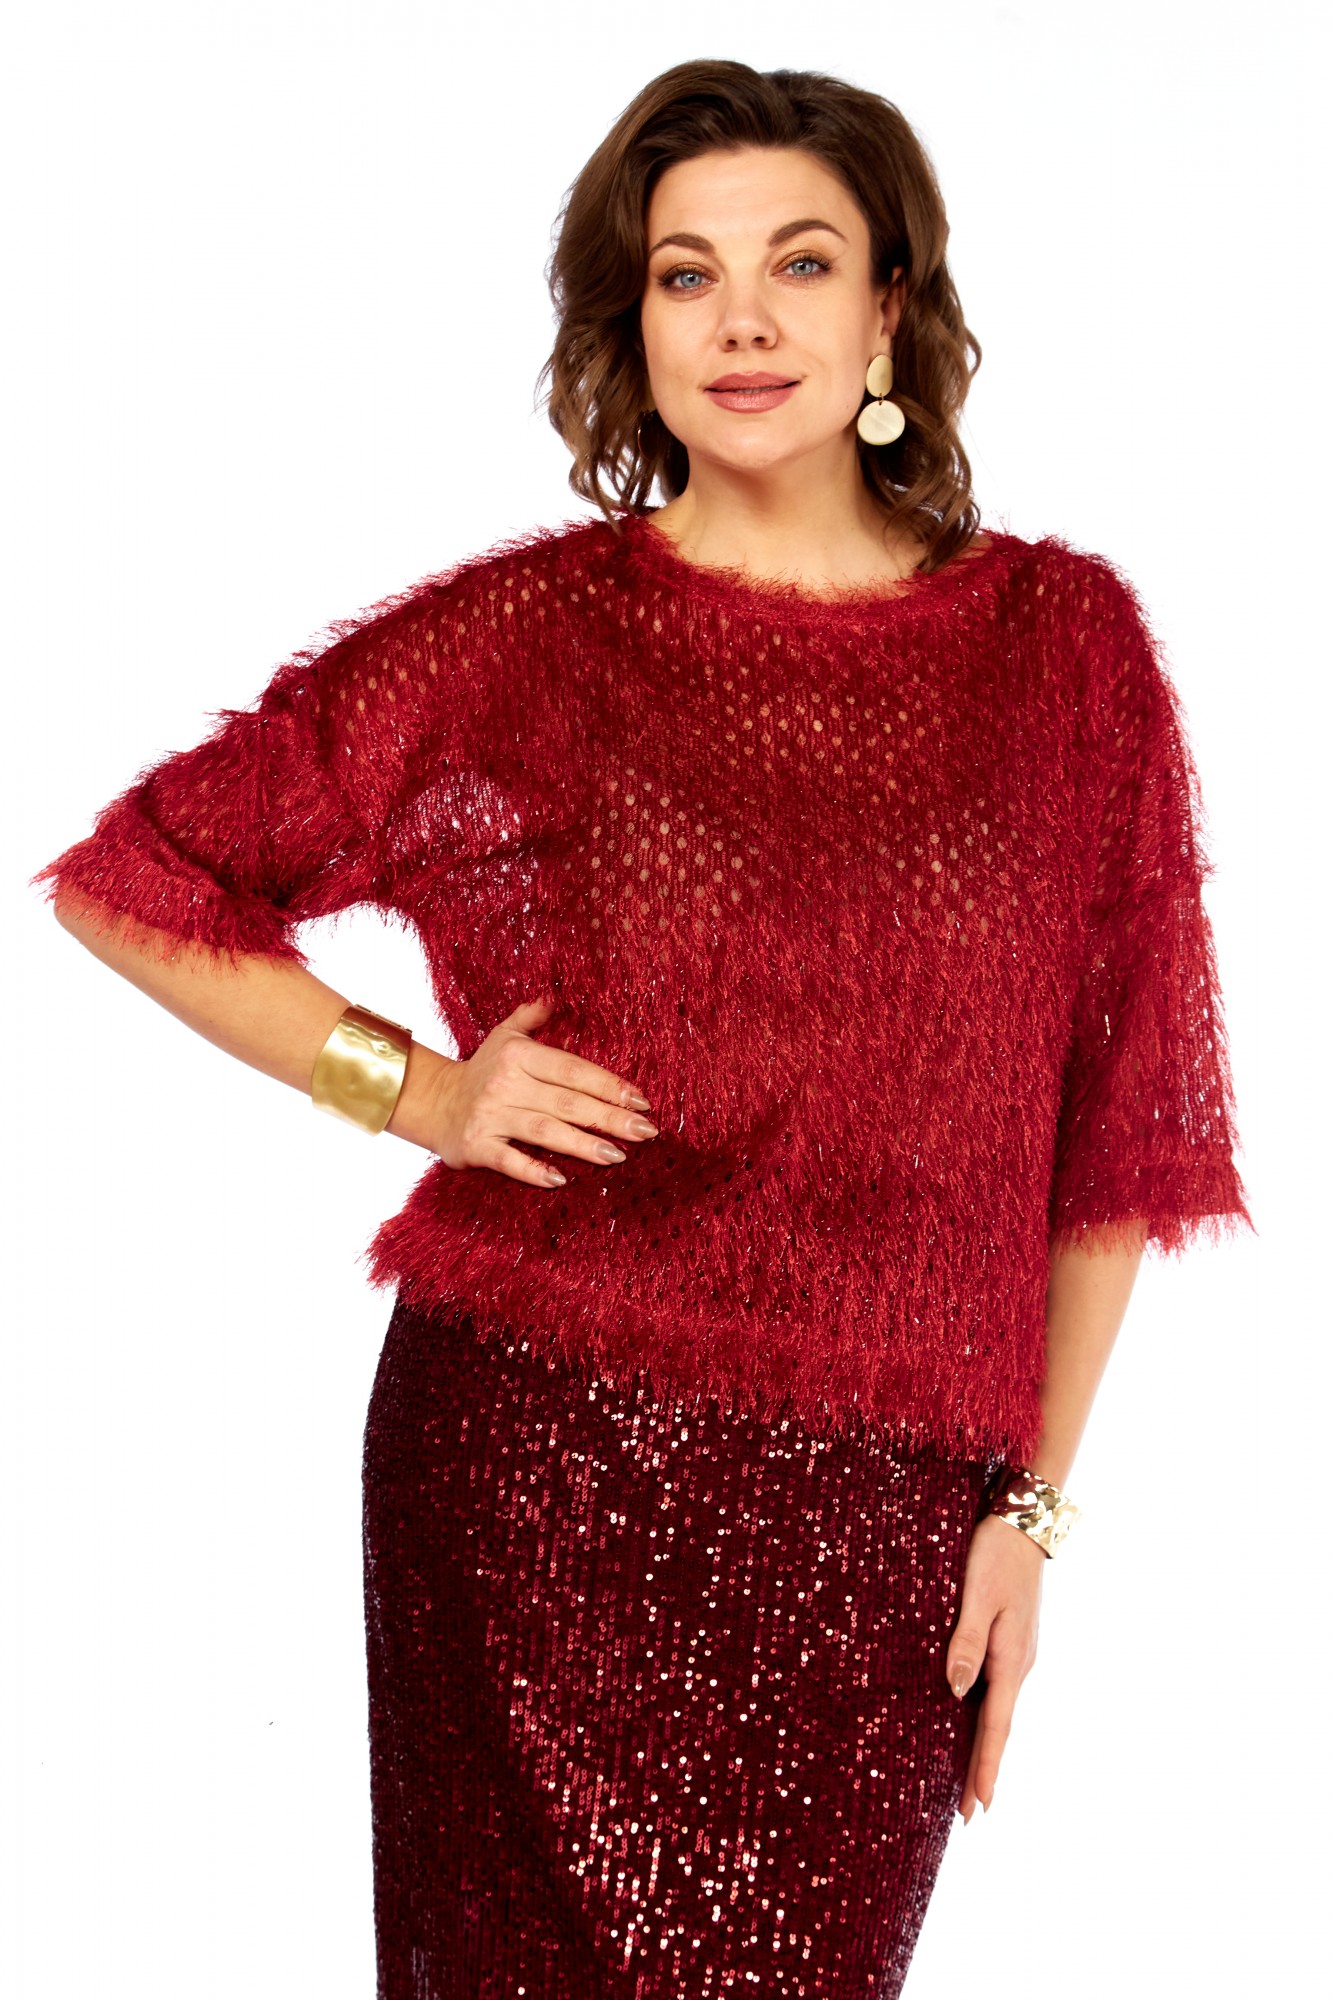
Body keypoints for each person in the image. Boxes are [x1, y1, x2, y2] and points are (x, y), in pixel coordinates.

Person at [32, 57, 1253, 2000]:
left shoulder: (1062, 649)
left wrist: (1026, 1513)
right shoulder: (527, 639)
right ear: (637, 322)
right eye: (688, 275)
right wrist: (417, 1092)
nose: (743, 319)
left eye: (799, 263)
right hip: (534, 1473)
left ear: (890, 311)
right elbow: (138, 876)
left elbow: (1115, 1128)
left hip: (879, 1523)